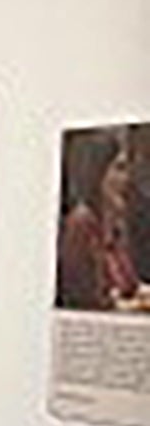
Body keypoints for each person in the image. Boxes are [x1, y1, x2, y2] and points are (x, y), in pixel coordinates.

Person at [58, 131, 142, 311]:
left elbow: (131, 288)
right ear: (98, 172)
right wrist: (134, 305)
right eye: (119, 168)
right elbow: (87, 304)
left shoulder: (114, 227)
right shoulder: (81, 225)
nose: (126, 179)